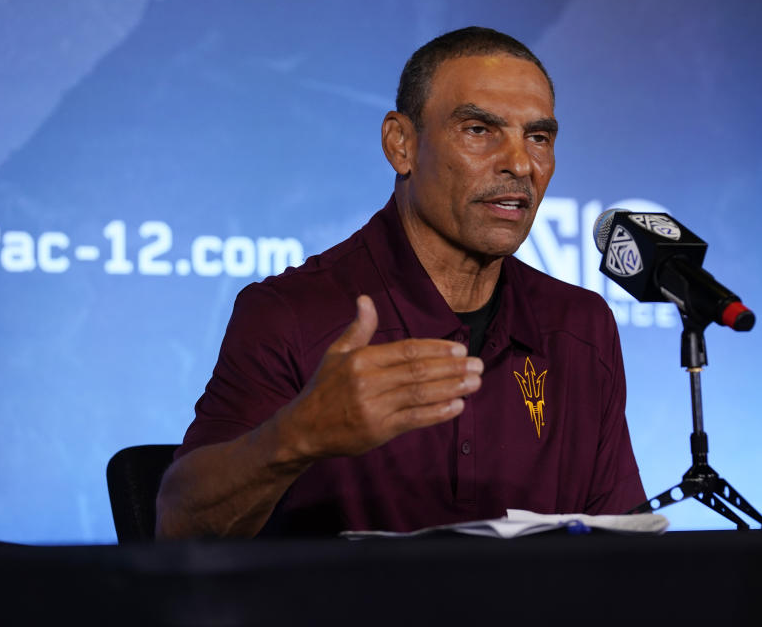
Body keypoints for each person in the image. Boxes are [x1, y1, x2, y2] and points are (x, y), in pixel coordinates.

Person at [155, 27, 644, 539]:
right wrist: (295, 437)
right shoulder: (290, 314)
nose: (520, 164)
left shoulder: (581, 326)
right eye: (479, 129)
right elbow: (180, 528)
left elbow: (621, 551)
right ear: (401, 145)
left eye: (538, 137)